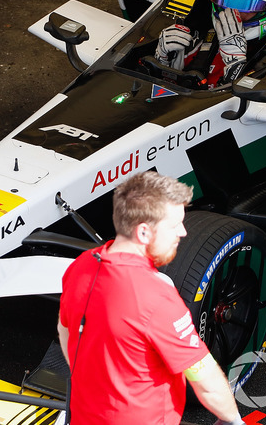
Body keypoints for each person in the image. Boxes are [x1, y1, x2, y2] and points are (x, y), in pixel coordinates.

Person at [57, 171, 244, 425]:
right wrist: (233, 420)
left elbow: (65, 328)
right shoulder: (155, 297)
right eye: (174, 224)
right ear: (143, 233)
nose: (183, 232)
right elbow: (204, 378)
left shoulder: (80, 267)